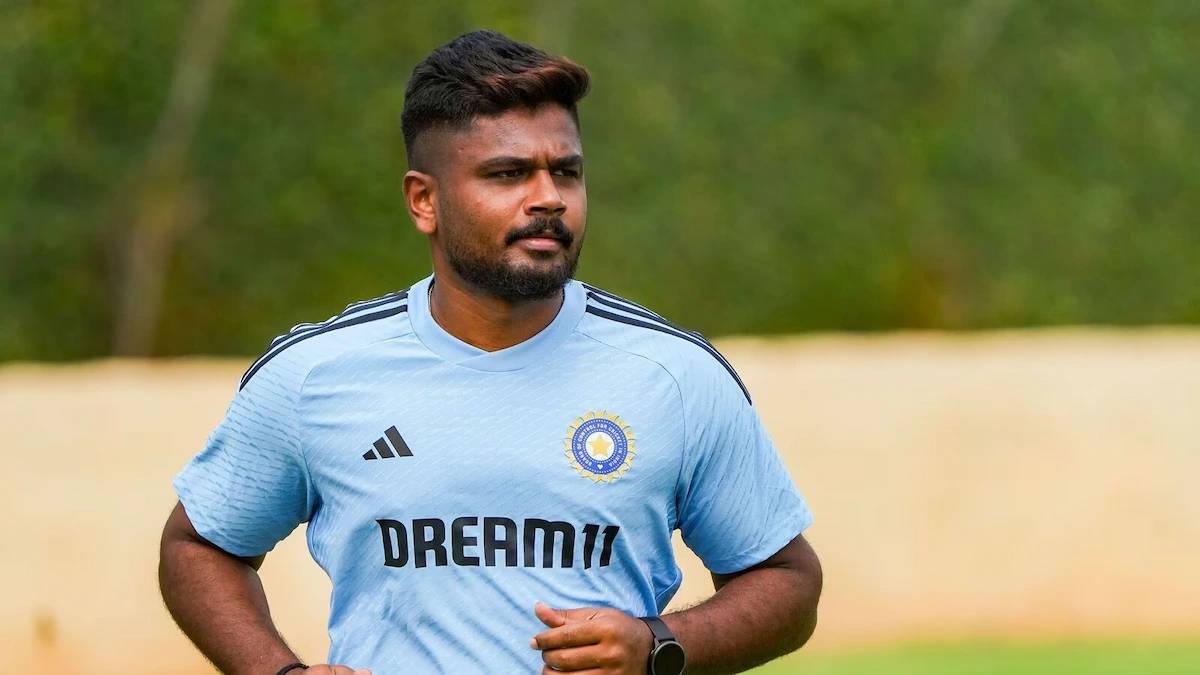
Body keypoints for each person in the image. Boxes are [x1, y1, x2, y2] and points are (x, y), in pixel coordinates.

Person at [159, 29, 822, 675]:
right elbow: (198, 546)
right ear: (424, 200)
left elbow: (787, 579)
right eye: (508, 174)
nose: (548, 198)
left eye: (566, 172)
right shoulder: (315, 375)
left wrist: (658, 645)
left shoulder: (675, 375)